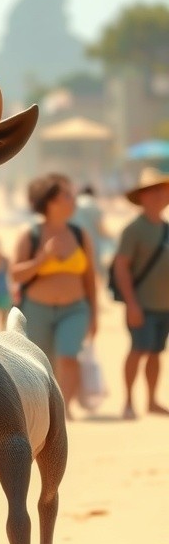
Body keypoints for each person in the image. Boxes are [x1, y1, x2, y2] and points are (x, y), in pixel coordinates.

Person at [11, 172, 98, 420]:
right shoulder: (30, 235)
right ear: (49, 202)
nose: (74, 200)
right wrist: (42, 259)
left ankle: (64, 410)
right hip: (36, 309)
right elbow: (16, 274)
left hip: (75, 309)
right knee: (41, 364)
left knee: (68, 356)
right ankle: (43, 411)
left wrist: (95, 314)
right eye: (67, 195)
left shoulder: (81, 235)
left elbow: (90, 278)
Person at [112, 167, 169, 420]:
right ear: (143, 196)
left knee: (156, 351)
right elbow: (121, 267)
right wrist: (131, 304)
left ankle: (152, 400)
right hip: (141, 304)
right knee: (138, 349)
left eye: (163, 190)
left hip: (164, 305)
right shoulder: (134, 229)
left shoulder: (166, 228)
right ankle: (127, 401)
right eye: (155, 191)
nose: (161, 195)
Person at [72, 184, 108, 277]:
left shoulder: (74, 202)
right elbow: (100, 226)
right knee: (97, 268)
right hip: (92, 241)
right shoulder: (92, 203)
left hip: (75, 241)